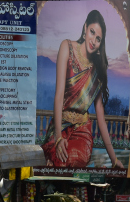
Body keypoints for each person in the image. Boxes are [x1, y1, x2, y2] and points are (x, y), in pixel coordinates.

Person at [41, 10, 124, 168]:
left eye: (98, 39)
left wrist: (114, 159)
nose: (93, 40)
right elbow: (59, 96)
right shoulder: (67, 47)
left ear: (101, 43)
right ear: (85, 28)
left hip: (82, 132)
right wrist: (58, 138)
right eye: (92, 32)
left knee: (69, 160)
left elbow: (100, 118)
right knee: (56, 161)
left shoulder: (98, 70)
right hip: (60, 126)